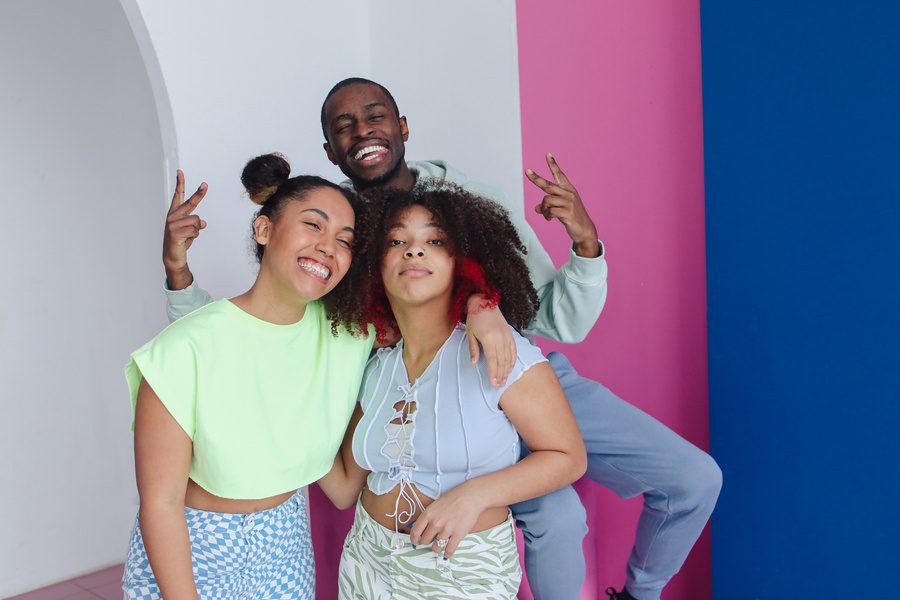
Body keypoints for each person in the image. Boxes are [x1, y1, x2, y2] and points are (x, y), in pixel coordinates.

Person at [163, 78, 722, 600]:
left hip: (515, 371)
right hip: (418, 391)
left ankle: (639, 594)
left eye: (375, 116)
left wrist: (574, 251)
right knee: (558, 517)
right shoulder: (339, 227)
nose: (362, 132)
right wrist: (182, 281)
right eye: (344, 127)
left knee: (693, 478)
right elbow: (268, 317)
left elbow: (560, 320)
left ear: (403, 127)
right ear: (330, 152)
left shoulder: (473, 202)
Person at [123, 154, 376, 599]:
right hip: (197, 546)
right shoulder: (184, 347)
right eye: (313, 225)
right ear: (264, 230)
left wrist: (482, 310)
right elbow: (160, 505)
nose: (328, 247)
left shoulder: (348, 335)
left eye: (345, 239)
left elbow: (341, 488)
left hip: (287, 545)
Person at [323, 184, 586, 599]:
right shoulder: (375, 368)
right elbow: (342, 491)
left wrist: (474, 496)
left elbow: (568, 457)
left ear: (463, 262)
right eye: (396, 240)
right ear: (375, 263)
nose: (413, 250)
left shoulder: (499, 350)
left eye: (435, 240)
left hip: (461, 570)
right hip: (365, 563)